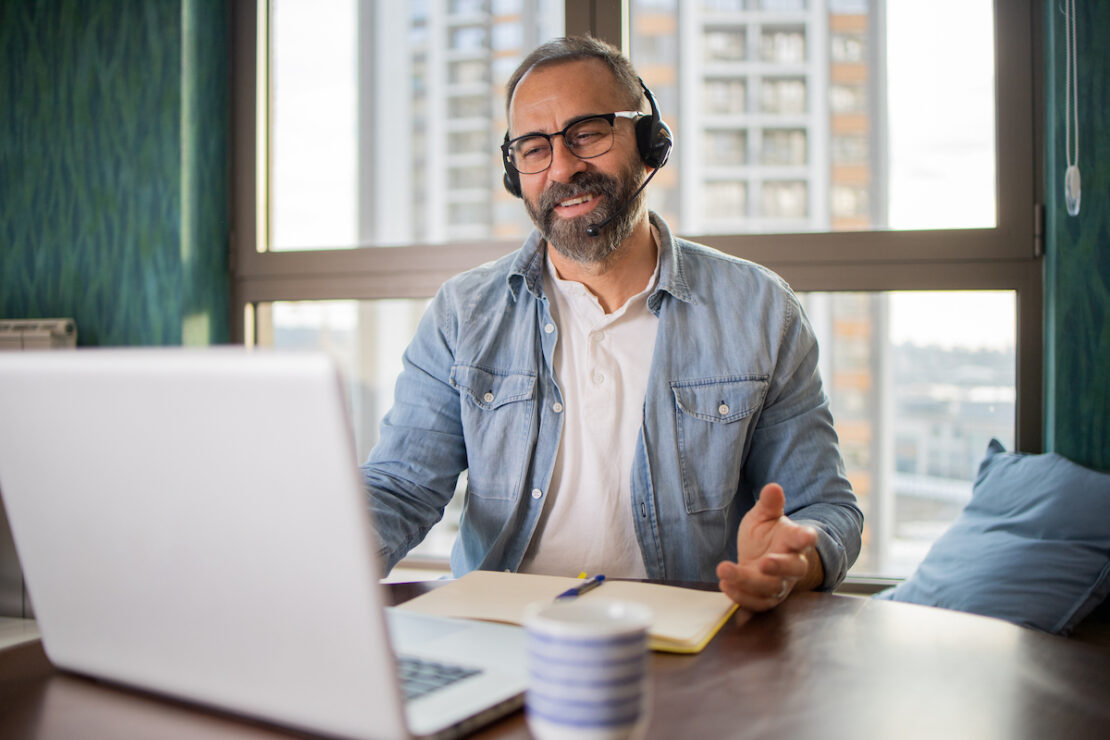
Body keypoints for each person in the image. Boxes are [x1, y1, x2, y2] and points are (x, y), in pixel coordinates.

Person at [362, 36, 863, 612]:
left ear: (651, 144)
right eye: (533, 148)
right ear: (514, 173)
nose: (564, 167)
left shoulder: (761, 311)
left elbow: (825, 508)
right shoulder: (462, 313)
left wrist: (796, 559)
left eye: (589, 134)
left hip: (690, 645)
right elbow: (400, 486)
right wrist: (316, 556)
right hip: (502, 634)